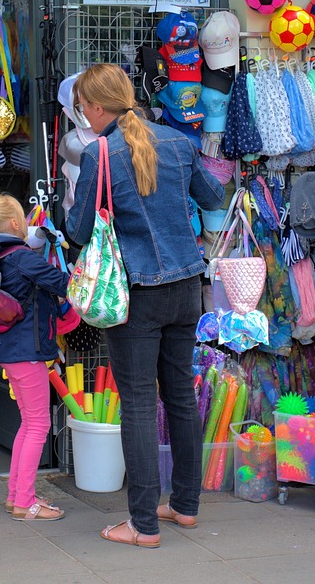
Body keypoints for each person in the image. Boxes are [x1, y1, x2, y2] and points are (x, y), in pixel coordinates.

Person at [66, 64, 223, 549]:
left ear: (95, 107)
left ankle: (142, 525)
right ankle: (184, 506)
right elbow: (213, 195)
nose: (84, 117)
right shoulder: (178, 141)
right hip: (186, 284)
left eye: (83, 108)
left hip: (136, 294)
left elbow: (77, 229)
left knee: (136, 401)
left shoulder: (101, 154)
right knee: (179, 395)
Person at [0, 194, 70, 521]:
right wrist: (87, 279)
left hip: (13, 350)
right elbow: (60, 282)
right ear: (15, 224)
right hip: (28, 351)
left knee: (28, 423)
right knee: (39, 424)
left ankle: (17, 495)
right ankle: (25, 501)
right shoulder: (22, 257)